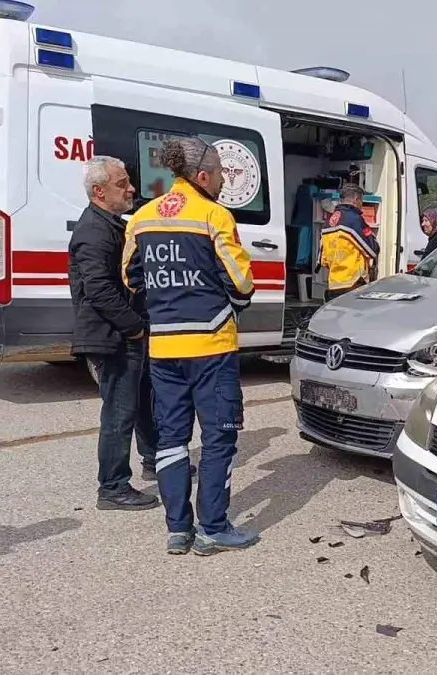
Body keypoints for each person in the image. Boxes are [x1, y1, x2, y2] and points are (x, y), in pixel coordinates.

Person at [123, 137, 259, 556]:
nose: (222, 181)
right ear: (202, 176)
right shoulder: (213, 216)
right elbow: (242, 282)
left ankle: (178, 530)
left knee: (171, 439)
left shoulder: (141, 219)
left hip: (164, 348)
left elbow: (131, 277)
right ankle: (213, 527)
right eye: (220, 173)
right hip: (211, 345)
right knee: (219, 438)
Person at [68, 156, 160, 512]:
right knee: (119, 412)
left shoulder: (111, 224)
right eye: (122, 183)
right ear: (99, 191)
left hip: (124, 333)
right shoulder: (94, 230)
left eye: (128, 181)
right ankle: (113, 486)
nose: (131, 188)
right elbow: (99, 290)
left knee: (141, 402)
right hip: (113, 337)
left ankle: (153, 459)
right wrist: (135, 329)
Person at [320, 183, 379, 301]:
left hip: (333, 284)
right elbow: (373, 249)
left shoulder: (329, 221)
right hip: (353, 283)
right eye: (361, 201)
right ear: (356, 200)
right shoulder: (354, 219)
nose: (361, 205)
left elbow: (322, 258)